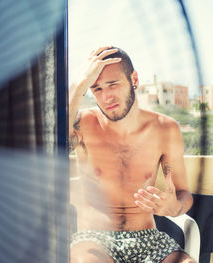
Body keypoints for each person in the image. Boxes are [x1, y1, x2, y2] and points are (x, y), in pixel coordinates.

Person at [69, 46, 195, 263]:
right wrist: (80, 84)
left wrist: (173, 207)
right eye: (96, 89)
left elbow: (184, 195)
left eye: (113, 84)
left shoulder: (165, 129)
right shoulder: (83, 124)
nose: (106, 97)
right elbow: (51, 135)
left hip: (149, 240)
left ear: (134, 79)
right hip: (94, 240)